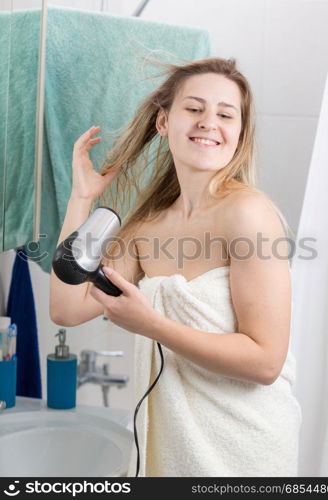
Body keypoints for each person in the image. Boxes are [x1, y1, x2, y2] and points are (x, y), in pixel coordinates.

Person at [50, 57, 302, 477]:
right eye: (195, 108)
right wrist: (81, 198)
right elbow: (67, 307)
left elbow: (265, 362)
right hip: (175, 452)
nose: (209, 122)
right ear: (164, 122)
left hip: (244, 450)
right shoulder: (149, 226)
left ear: (239, 134)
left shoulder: (248, 214)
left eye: (225, 114)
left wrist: (152, 325)